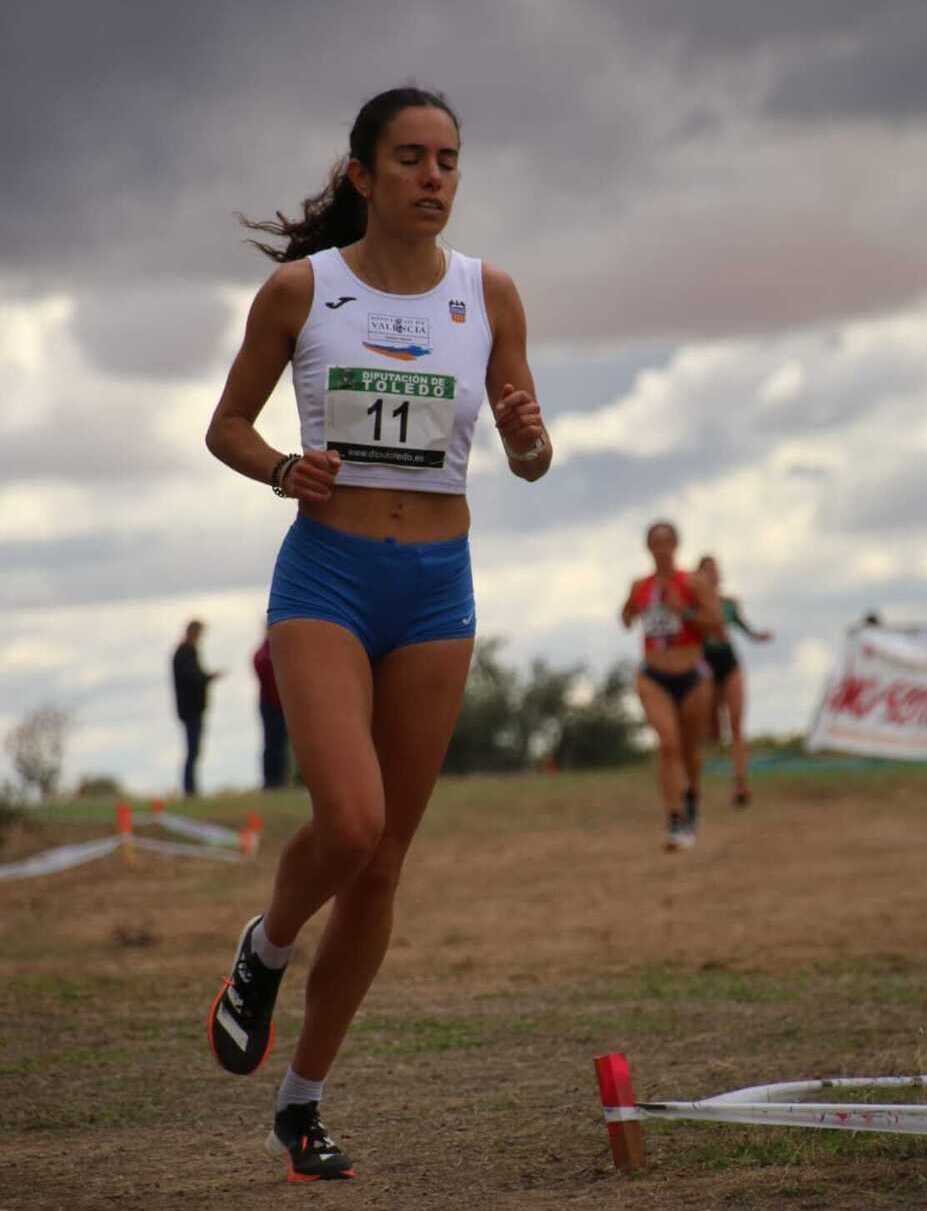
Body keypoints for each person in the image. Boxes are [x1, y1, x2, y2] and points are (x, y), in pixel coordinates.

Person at [203, 86, 551, 1183]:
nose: (434, 177)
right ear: (362, 172)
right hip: (329, 578)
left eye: (447, 159)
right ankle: (263, 949)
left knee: (386, 857)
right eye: (410, 158)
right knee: (348, 822)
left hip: (437, 588)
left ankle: (301, 1102)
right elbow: (225, 425)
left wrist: (532, 441)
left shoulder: (486, 293)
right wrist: (278, 468)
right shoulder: (302, 290)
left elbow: (527, 451)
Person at [621, 523, 720, 851]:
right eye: (655, 543)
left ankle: (692, 799)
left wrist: (685, 611)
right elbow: (626, 619)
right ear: (648, 547)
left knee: (690, 750)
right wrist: (631, 609)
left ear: (677, 544)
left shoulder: (693, 582)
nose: (661, 549)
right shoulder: (640, 585)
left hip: (692, 673)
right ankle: (675, 818)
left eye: (667, 542)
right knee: (667, 744)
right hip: (654, 675)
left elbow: (715, 624)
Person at [696, 555, 773, 807]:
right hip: (705, 666)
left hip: (729, 662)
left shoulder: (729, 604)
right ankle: (691, 782)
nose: (713, 575)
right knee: (711, 731)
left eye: (715, 571)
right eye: (708, 571)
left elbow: (742, 627)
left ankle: (741, 785)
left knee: (737, 725)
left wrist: (758, 636)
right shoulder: (693, 605)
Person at [170, 620, 222, 797]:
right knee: (193, 750)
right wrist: (208, 678)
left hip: (190, 708)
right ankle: (190, 789)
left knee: (194, 750)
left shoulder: (184, 652)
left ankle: (191, 788)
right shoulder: (185, 652)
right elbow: (192, 678)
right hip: (191, 709)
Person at [253, 632, 288, 790]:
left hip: (277, 703)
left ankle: (279, 779)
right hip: (272, 704)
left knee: (278, 744)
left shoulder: (268, 651)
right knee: (273, 744)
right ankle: (273, 780)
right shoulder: (266, 653)